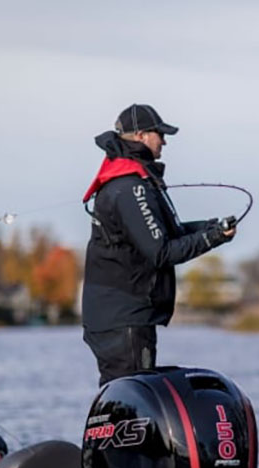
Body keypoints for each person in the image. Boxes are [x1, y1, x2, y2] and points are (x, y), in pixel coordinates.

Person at [81, 103, 235, 385]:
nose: (164, 141)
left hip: (123, 316)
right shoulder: (130, 187)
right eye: (159, 134)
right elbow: (161, 252)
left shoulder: (132, 180)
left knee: (132, 399)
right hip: (122, 318)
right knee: (131, 398)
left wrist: (210, 228)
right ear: (140, 136)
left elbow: (168, 233)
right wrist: (211, 238)